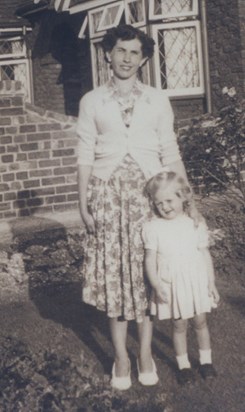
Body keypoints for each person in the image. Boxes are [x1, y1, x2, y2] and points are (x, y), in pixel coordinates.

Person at [76, 24, 196, 390]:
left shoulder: (157, 100)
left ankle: (144, 353)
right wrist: (82, 203)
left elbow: (169, 151)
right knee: (116, 280)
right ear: (108, 54)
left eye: (134, 53)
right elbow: (84, 153)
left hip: (148, 198)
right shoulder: (92, 101)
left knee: (146, 278)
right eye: (120, 51)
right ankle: (121, 357)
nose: (127, 59)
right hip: (108, 198)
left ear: (143, 59)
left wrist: (189, 198)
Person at [142, 171, 220, 385]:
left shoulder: (194, 224)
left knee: (200, 322)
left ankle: (206, 362)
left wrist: (211, 283)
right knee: (179, 325)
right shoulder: (153, 228)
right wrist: (156, 284)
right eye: (159, 203)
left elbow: (205, 255)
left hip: (196, 281)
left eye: (169, 200)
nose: (165, 206)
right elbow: (150, 259)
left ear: (182, 197)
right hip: (172, 284)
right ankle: (183, 365)